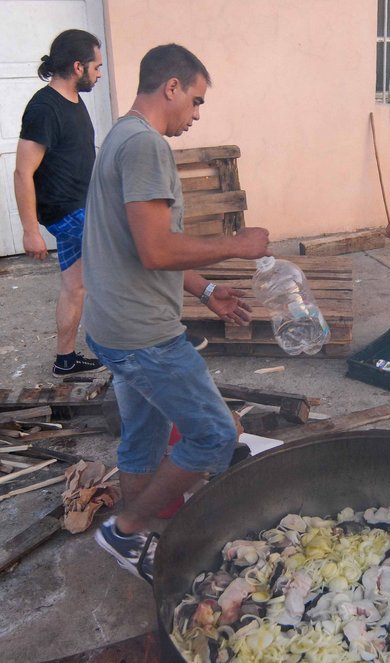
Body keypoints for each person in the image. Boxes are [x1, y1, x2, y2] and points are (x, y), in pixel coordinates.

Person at [83, 44, 270, 581]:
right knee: (214, 434)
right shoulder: (145, 147)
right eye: (196, 99)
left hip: (114, 325)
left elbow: (136, 245)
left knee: (142, 435)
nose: (196, 113)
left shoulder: (120, 136)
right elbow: (156, 250)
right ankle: (124, 531)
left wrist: (207, 290)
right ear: (171, 87)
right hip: (144, 335)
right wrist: (237, 244)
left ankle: (133, 529)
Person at [13, 29, 106, 376]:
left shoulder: (72, 100)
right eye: (96, 67)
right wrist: (29, 231)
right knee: (131, 258)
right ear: (78, 66)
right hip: (69, 212)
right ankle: (146, 344)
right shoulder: (44, 107)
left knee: (75, 285)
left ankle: (65, 359)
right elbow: (23, 172)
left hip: (80, 207)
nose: (99, 73)